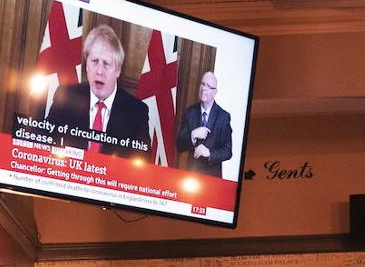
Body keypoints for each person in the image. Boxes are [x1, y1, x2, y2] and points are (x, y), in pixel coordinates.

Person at [46, 24, 151, 159]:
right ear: (87, 65)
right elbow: (47, 143)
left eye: (106, 64)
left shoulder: (136, 111)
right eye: (94, 61)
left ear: (118, 70)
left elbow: (142, 161)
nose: (99, 71)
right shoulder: (66, 97)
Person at [175, 70, 233, 177]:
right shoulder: (190, 112)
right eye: (202, 84)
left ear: (215, 92)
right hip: (191, 175)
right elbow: (179, 145)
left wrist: (209, 153)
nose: (204, 89)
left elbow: (227, 151)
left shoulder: (223, 117)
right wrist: (192, 135)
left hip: (212, 177)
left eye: (208, 86)